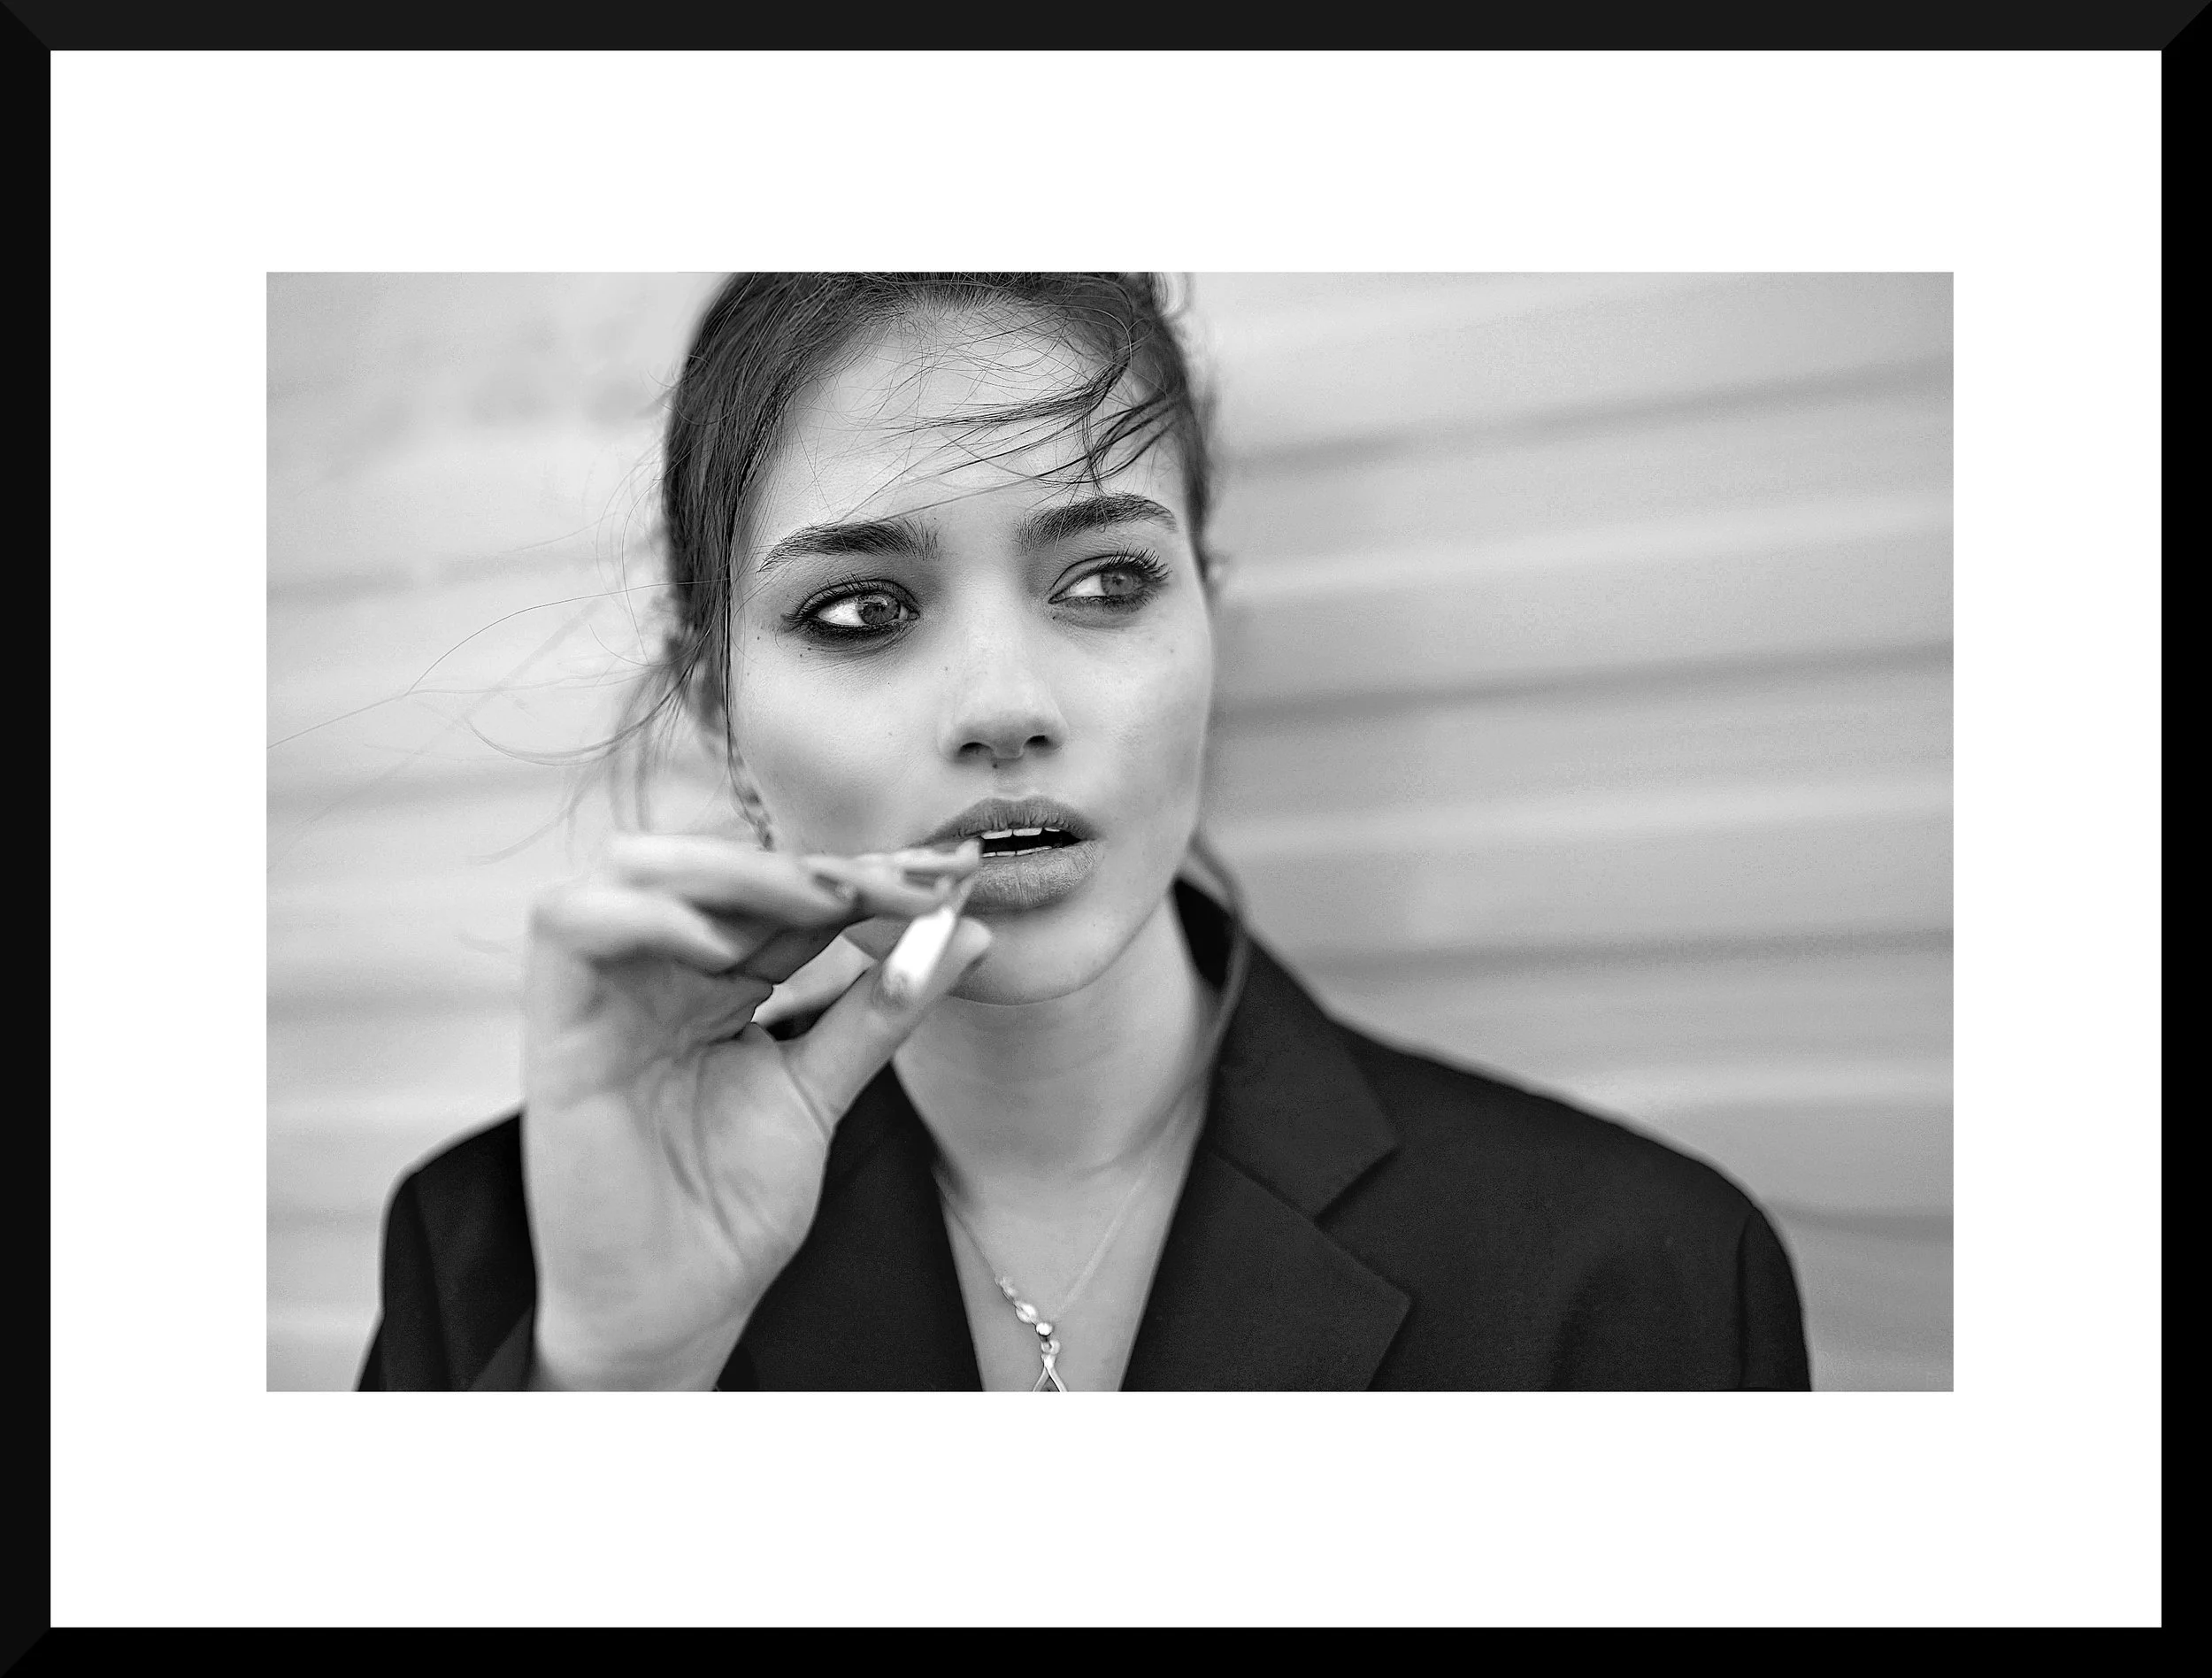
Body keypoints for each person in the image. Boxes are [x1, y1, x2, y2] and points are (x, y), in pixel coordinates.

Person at [357, 273, 1812, 1392]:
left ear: (1210, 632)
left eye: (1106, 584)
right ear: (718, 713)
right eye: (861, 612)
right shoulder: (496, 1266)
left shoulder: (1640, 1275)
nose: (1006, 707)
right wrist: (614, 1387)